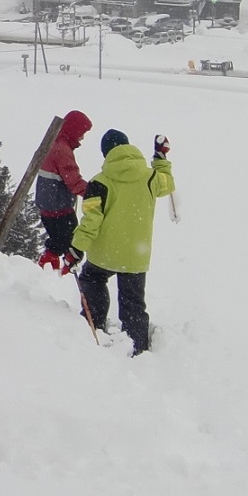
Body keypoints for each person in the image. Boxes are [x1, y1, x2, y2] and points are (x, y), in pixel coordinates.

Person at [72, 130, 174, 356]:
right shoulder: (150, 178)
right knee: (133, 302)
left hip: (104, 253)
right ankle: (138, 348)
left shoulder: (98, 182)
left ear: (106, 153)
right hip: (136, 255)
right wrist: (160, 159)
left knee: (93, 279)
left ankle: (95, 325)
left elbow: (91, 221)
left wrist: (76, 248)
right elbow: (167, 184)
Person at [34, 110, 92, 274]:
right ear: (74, 129)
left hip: (47, 206)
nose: (82, 138)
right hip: (60, 207)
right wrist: (93, 192)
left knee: (58, 242)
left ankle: (47, 266)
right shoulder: (62, 150)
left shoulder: (52, 144)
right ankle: (66, 274)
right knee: (74, 246)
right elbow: (73, 181)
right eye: (81, 133)